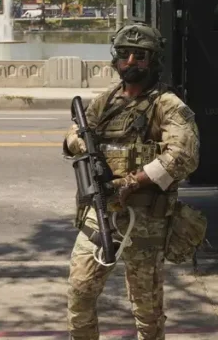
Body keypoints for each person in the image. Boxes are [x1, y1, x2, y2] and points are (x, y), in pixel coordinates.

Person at [63, 23, 200, 340]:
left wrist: (135, 180)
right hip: (99, 215)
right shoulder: (106, 100)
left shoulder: (167, 105)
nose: (131, 62)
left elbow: (184, 155)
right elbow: (73, 133)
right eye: (125, 55)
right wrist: (83, 143)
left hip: (144, 222)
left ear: (153, 61)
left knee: (147, 310)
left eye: (140, 56)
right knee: (80, 293)